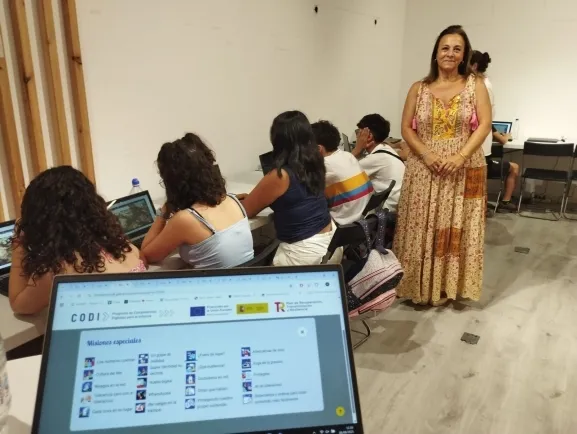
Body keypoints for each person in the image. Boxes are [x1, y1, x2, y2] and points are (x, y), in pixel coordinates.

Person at [394, 25, 492, 306]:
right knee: (419, 226)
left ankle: (448, 286)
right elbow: (406, 127)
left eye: (457, 49)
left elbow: (484, 124)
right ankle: (419, 287)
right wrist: (426, 154)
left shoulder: (476, 85)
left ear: (464, 55)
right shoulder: (419, 88)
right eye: (445, 48)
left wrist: (460, 156)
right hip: (424, 167)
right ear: (436, 53)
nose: (450, 53)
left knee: (459, 226)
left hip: (464, 167)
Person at [9, 166, 146, 315]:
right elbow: (143, 261)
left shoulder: (56, 271)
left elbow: (18, 304)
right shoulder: (123, 247)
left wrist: (19, 242)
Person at [238, 111, 338, 266]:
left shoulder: (280, 175)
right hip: (332, 244)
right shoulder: (315, 164)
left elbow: (246, 211)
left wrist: (234, 202)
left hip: (305, 256)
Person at [141, 133, 254, 268]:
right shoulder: (232, 200)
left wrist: (163, 213)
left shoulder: (184, 220)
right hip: (247, 279)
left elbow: (146, 255)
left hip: (216, 281)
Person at [470, 50, 519, 212]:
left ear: (474, 66)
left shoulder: (483, 86)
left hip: (478, 147)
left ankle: (480, 209)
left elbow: (484, 118)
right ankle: (500, 202)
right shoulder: (478, 84)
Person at [311, 120, 373, 225]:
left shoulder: (324, 166)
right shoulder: (347, 155)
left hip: (346, 224)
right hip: (365, 218)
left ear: (318, 149)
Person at [351, 114, 405, 212]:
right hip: (396, 205)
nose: (357, 136)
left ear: (369, 136)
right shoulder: (385, 149)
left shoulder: (375, 158)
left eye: (359, 133)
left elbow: (344, 174)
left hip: (387, 211)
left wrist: (357, 149)